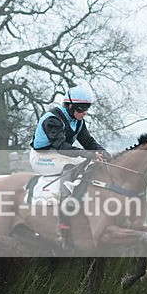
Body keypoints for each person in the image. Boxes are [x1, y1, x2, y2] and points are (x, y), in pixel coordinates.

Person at [29, 85, 111, 242]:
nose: (84, 112)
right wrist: (87, 154)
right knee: (73, 164)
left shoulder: (78, 120)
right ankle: (66, 203)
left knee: (87, 161)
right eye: (81, 109)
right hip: (41, 156)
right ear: (69, 105)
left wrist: (104, 153)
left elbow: (88, 141)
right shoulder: (53, 120)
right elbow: (61, 147)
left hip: (58, 154)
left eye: (87, 108)